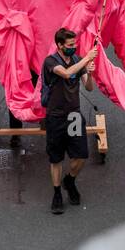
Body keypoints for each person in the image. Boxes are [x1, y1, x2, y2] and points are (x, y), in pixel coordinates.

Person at [41, 29, 97, 214]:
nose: (74, 47)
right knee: (56, 158)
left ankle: (70, 180)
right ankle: (57, 193)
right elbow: (65, 74)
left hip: (73, 116)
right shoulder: (50, 62)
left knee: (80, 155)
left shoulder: (77, 60)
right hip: (55, 116)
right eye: (70, 45)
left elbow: (89, 88)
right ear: (59, 45)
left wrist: (90, 73)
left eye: (75, 44)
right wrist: (86, 59)